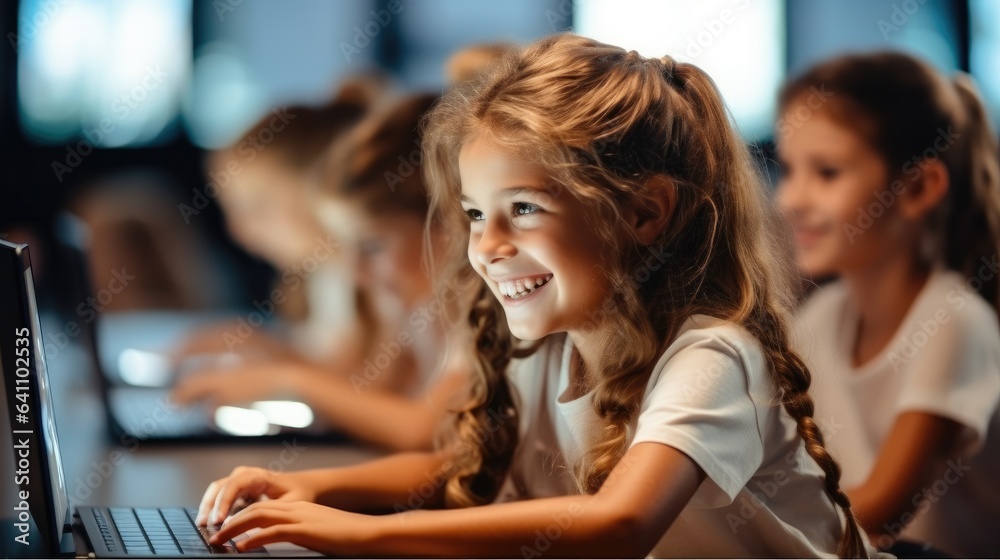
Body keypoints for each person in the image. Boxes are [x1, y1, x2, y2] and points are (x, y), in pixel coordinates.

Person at [192, 34, 872, 557]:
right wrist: (313, 490)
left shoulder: (713, 356)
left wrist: (359, 536)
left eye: (522, 209)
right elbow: (461, 464)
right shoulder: (546, 346)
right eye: (475, 214)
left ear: (644, 214)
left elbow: (620, 524)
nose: (485, 247)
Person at [777, 52, 1000, 557]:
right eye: (790, 170)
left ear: (918, 188)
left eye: (827, 172)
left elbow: (882, 510)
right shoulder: (819, 318)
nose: (790, 198)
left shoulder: (957, 322)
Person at [173, 94, 471, 451]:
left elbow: (422, 430)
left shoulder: (462, 306)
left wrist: (284, 376)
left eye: (259, 206)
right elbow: (373, 395)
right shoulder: (408, 295)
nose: (357, 272)